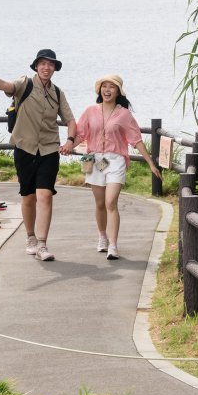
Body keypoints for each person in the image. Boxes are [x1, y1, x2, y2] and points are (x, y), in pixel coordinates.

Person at [0, 48, 76, 262]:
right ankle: (31, 237)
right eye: (43, 63)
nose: (47, 67)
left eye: (51, 64)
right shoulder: (24, 84)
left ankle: (43, 244)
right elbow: (5, 86)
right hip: (24, 147)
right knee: (28, 196)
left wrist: (70, 141)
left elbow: (70, 120)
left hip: (49, 149)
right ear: (36, 66)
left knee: (45, 195)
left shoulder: (57, 92)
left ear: (55, 68)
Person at [71, 74, 161, 260]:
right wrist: (68, 146)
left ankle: (113, 245)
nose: (108, 90)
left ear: (118, 91)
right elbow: (81, 135)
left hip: (116, 160)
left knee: (111, 201)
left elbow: (136, 140)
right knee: (99, 203)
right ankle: (102, 236)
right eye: (104, 86)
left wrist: (150, 163)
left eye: (112, 86)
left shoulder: (124, 114)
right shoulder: (90, 111)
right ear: (99, 89)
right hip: (94, 159)